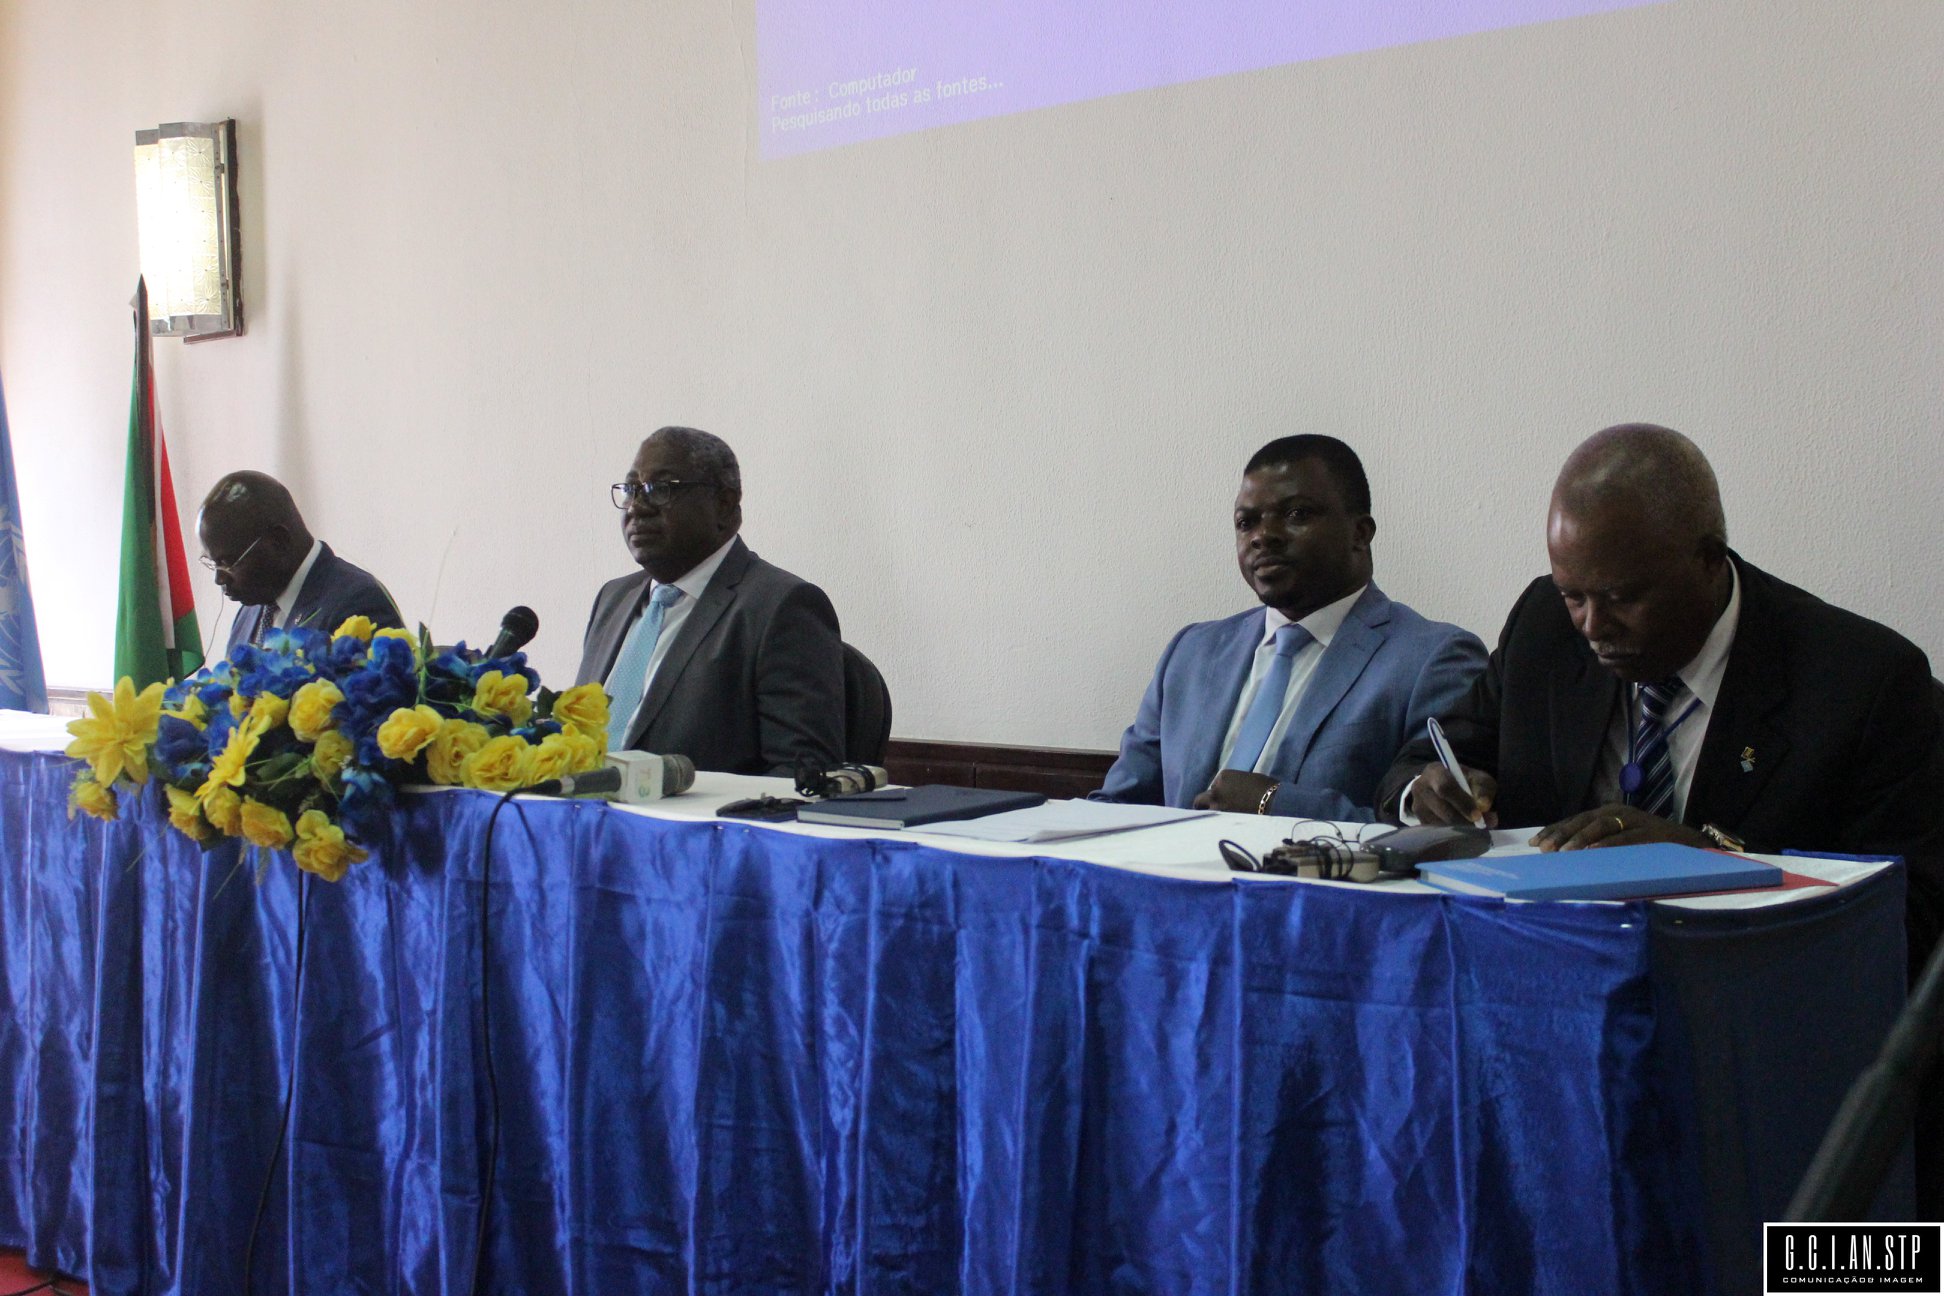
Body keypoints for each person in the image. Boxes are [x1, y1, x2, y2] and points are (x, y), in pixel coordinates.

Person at [1379, 423, 1944, 960]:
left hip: (1746, 1005)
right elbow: (1423, 760)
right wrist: (1426, 790)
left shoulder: (1863, 682)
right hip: (1543, 977)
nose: (1592, 626)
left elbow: (1911, 912)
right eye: (1574, 595)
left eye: (1622, 597)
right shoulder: (1543, 628)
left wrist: (1714, 863)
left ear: (1709, 561)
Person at [1094, 435, 1486, 820]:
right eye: (1246, 523)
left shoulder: (1434, 659)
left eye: (1297, 514)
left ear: (1359, 534)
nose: (1263, 536)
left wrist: (1272, 802)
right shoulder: (1191, 652)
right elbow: (1119, 806)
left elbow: (1433, 827)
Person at [574, 425, 845, 776]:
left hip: (694, 826)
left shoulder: (781, 606)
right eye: (631, 490)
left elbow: (802, 773)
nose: (637, 508)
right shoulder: (613, 600)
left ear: (724, 503)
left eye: (660, 490)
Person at [197, 471, 402, 653]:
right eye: (213, 563)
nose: (220, 578)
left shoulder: (358, 602)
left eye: (229, 562)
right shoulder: (250, 611)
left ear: (279, 541)